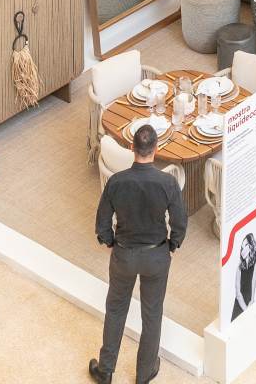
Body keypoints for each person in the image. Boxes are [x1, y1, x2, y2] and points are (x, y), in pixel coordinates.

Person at [91, 124, 185, 384]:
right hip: (156, 256)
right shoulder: (168, 182)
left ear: (132, 148)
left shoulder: (116, 182)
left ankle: (106, 369)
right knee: (152, 314)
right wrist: (173, 245)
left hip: (123, 255)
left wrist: (110, 242)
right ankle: (144, 374)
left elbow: (101, 223)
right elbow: (180, 222)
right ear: (156, 149)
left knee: (116, 310)